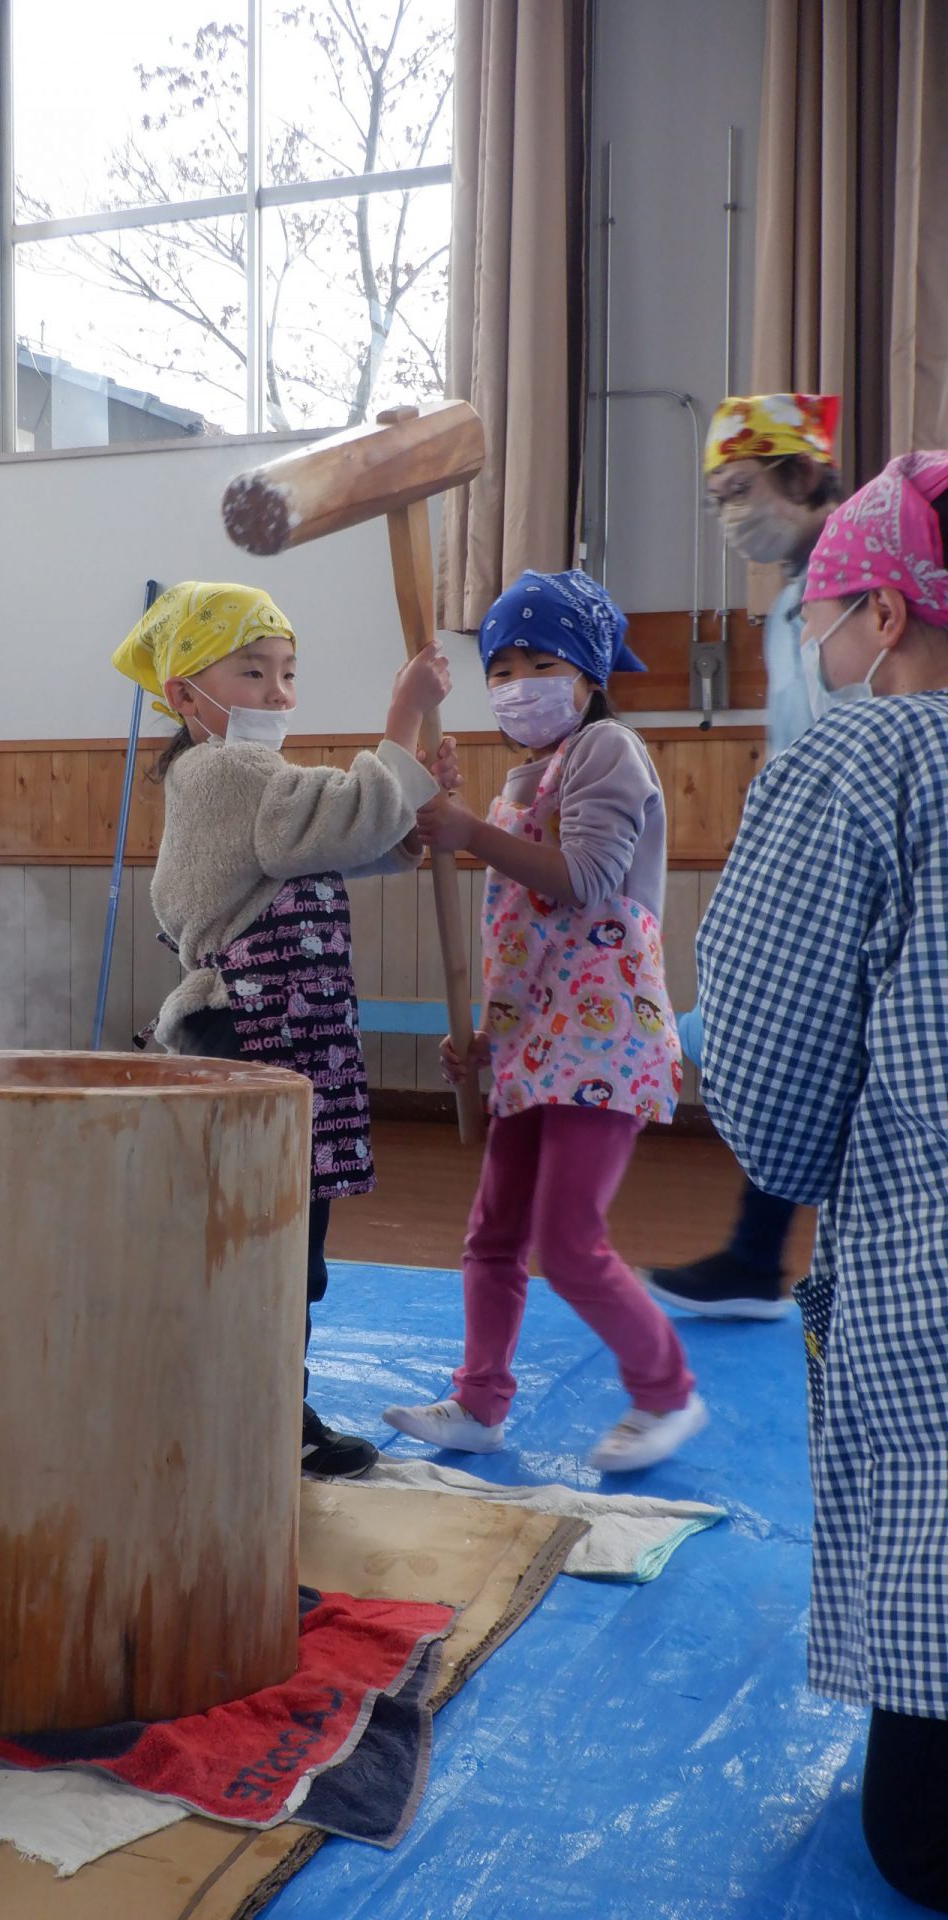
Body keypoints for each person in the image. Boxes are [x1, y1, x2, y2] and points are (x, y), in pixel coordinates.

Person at [696, 452, 948, 1912]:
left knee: (922, 1838)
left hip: (932, 1289)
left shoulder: (870, 757)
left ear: (884, 615)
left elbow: (778, 1092)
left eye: (824, 618)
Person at [113, 580, 447, 1478]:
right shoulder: (228, 773)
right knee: (271, 1248)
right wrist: (405, 718)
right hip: (251, 1035)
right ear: (185, 694)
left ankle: (260, 1407)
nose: (278, 692)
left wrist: (408, 805)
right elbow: (335, 818)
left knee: (282, 1245)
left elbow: (331, 841)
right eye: (252, 672)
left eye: (288, 672)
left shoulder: (245, 783)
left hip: (282, 1037)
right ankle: (252, 1416)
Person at [382, 570, 706, 1474]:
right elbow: (529, 942)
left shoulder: (608, 750)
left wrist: (467, 834)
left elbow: (588, 882)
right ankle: (479, 1402)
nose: (517, 683)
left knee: (566, 1243)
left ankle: (667, 1391)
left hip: (609, 1044)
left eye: (540, 663)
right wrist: (489, 1040)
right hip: (538, 1045)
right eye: (502, 668)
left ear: (589, 674)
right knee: (492, 1235)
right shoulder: (521, 782)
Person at [644, 392, 842, 1323]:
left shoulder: (857, 584)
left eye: (742, 490)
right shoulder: (790, 601)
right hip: (813, 847)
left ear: (800, 474)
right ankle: (758, 1258)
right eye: (716, 498)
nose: (730, 515)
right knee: (809, 1052)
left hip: (864, 844)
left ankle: (773, 1260)